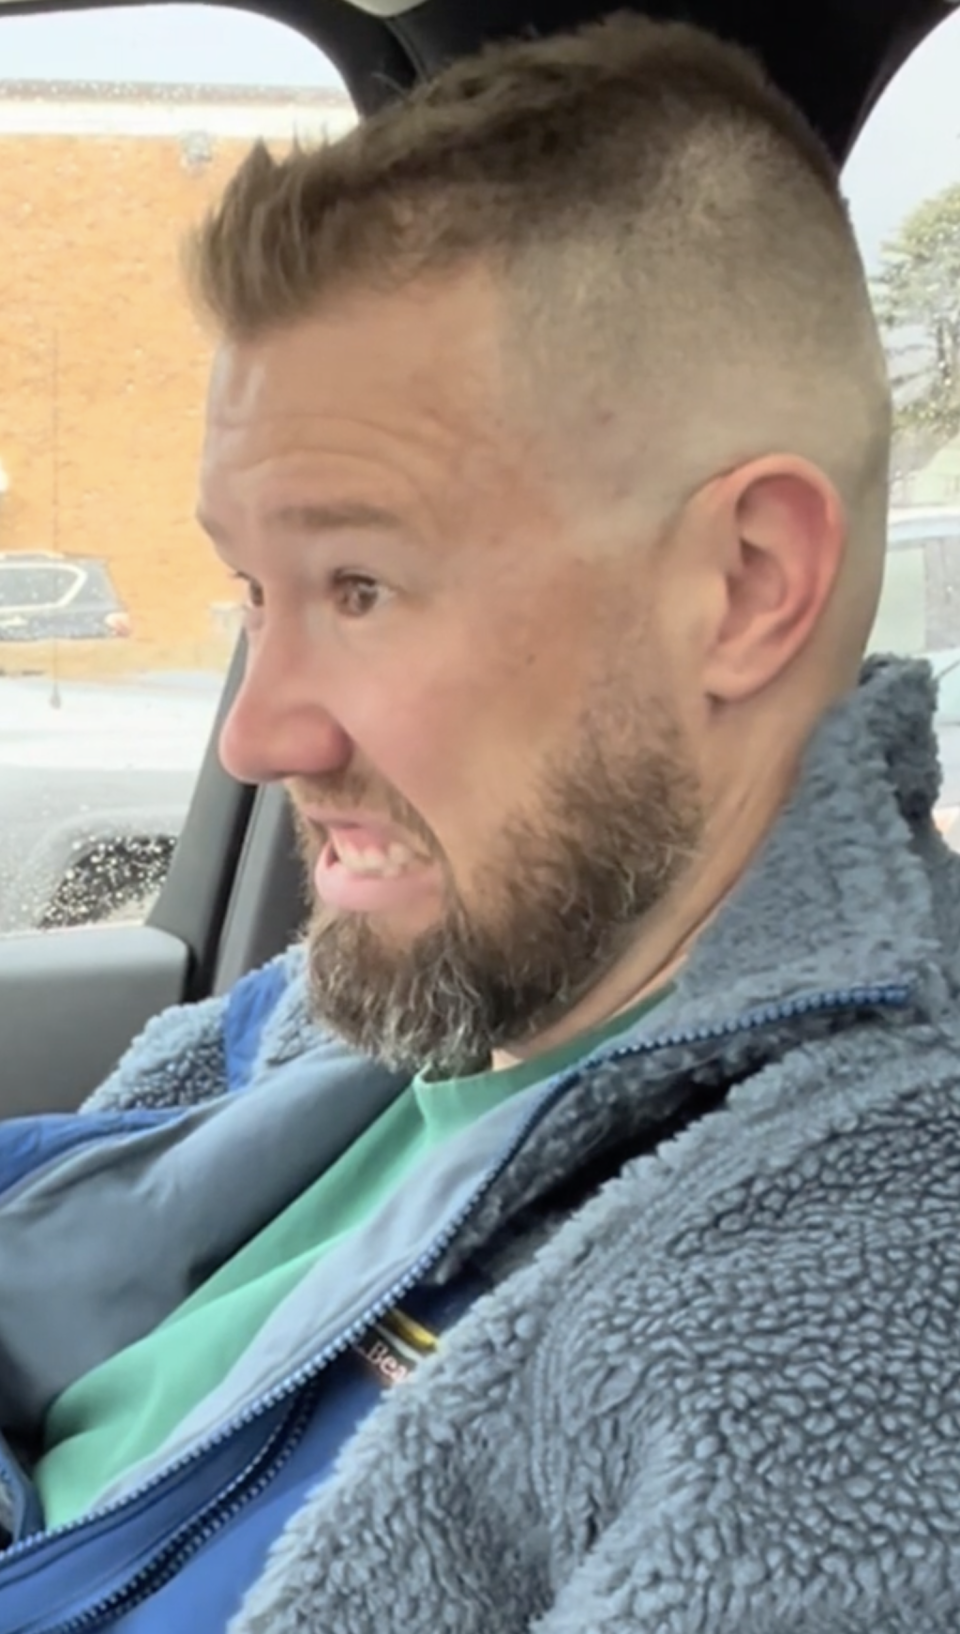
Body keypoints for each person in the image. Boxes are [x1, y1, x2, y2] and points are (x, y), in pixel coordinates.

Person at [1, 12, 958, 1633]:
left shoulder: (842, 1307)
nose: (260, 726)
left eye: (361, 586)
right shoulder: (390, 1000)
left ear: (745, 586)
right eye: (255, 588)